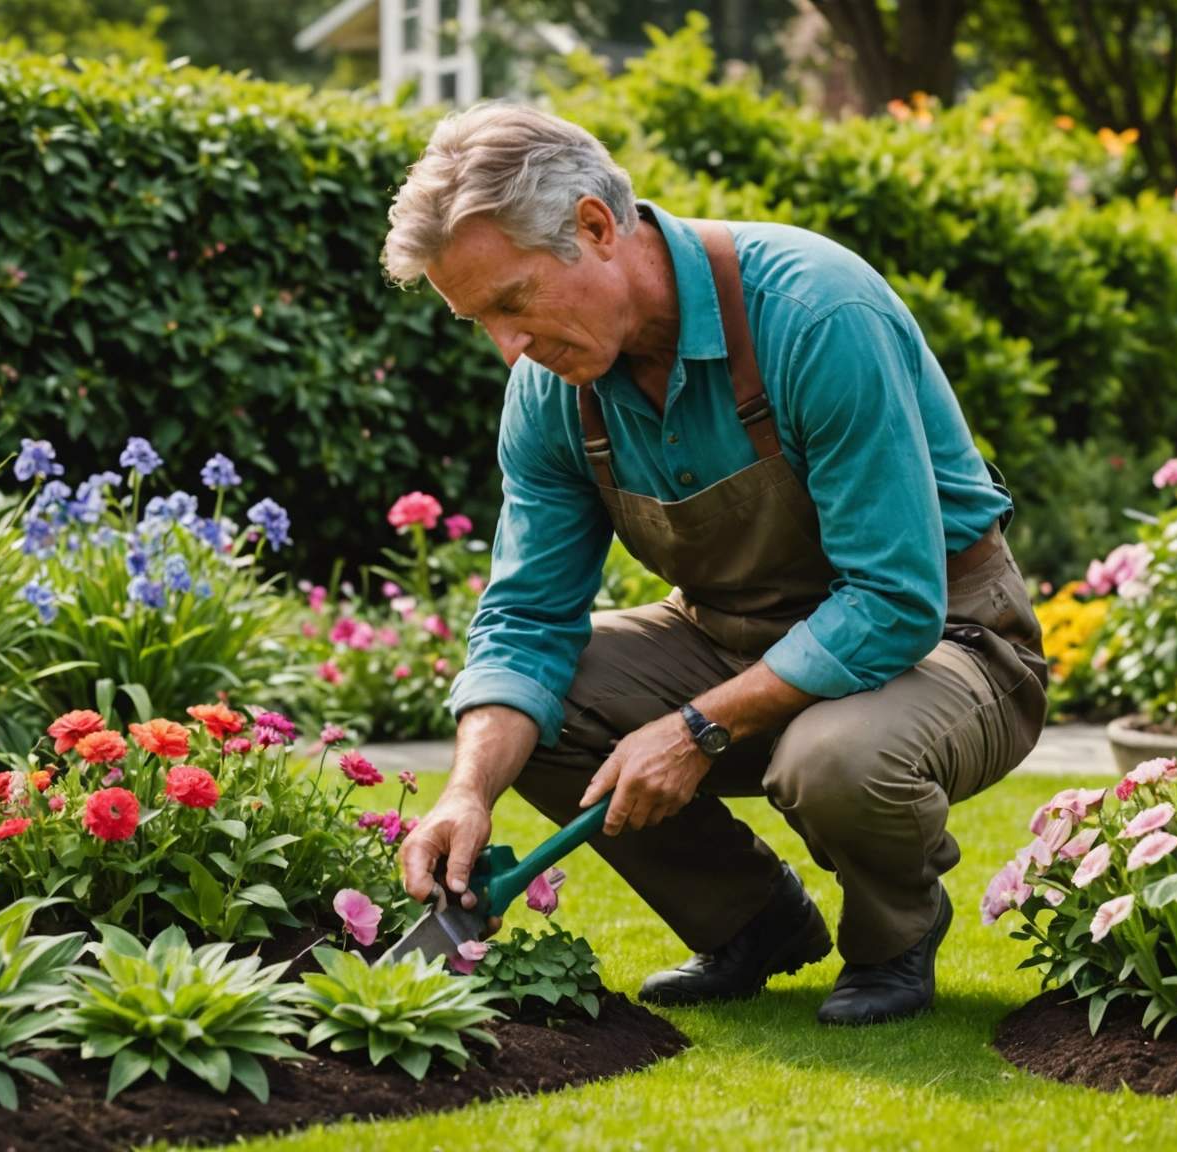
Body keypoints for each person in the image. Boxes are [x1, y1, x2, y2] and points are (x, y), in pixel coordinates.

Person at [383, 103, 1048, 1025]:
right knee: (528, 711)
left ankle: (896, 935)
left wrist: (695, 728)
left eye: (514, 300)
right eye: (480, 320)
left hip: (947, 644)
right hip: (732, 638)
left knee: (837, 760)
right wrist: (467, 791)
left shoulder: (813, 312)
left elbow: (895, 601)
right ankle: (751, 921)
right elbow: (526, 619)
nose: (508, 346)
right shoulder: (551, 390)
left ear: (594, 226)